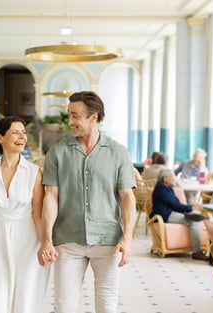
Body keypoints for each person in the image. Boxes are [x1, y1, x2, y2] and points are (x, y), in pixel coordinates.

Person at [38, 91, 137, 313]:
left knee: (107, 307)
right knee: (64, 307)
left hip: (108, 241)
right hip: (67, 239)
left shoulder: (118, 153)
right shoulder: (58, 152)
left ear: (94, 117)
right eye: (69, 115)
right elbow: (50, 198)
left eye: (76, 116)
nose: (70, 121)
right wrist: (46, 240)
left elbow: (127, 198)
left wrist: (128, 240)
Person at [0, 116, 49, 313]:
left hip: (28, 239)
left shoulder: (34, 172)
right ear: (0, 138)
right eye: (15, 132)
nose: (22, 137)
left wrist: (45, 243)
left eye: (23, 133)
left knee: (25, 297)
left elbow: (38, 213)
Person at [150, 168, 208, 261]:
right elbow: (175, 205)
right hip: (165, 215)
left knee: (196, 215)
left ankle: (201, 247)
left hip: (171, 213)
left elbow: (176, 204)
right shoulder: (161, 188)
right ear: (164, 179)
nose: (173, 179)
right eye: (171, 177)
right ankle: (197, 252)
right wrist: (191, 207)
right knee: (194, 220)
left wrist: (190, 209)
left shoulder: (167, 187)